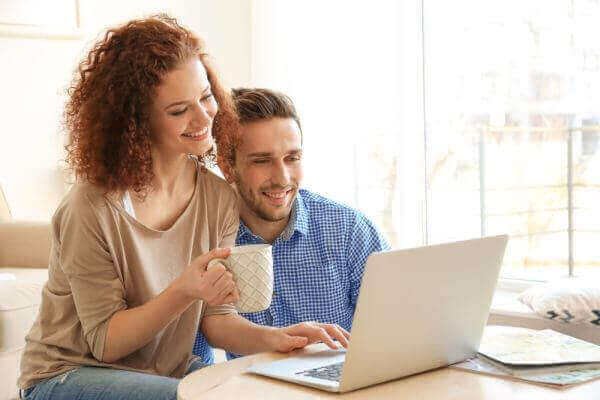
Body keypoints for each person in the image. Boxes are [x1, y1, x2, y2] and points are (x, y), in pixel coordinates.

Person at [18, 16, 348, 400]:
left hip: (165, 372)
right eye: (178, 111)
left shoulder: (218, 198)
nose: (204, 116)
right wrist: (185, 290)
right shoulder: (90, 207)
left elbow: (217, 321)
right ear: (136, 122)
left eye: (206, 97)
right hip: (69, 375)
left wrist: (281, 339)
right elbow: (105, 343)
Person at [193, 88, 390, 361]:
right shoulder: (206, 240)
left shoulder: (350, 231)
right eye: (262, 161)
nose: (282, 178)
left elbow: (397, 327)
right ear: (227, 165)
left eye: (292, 158)